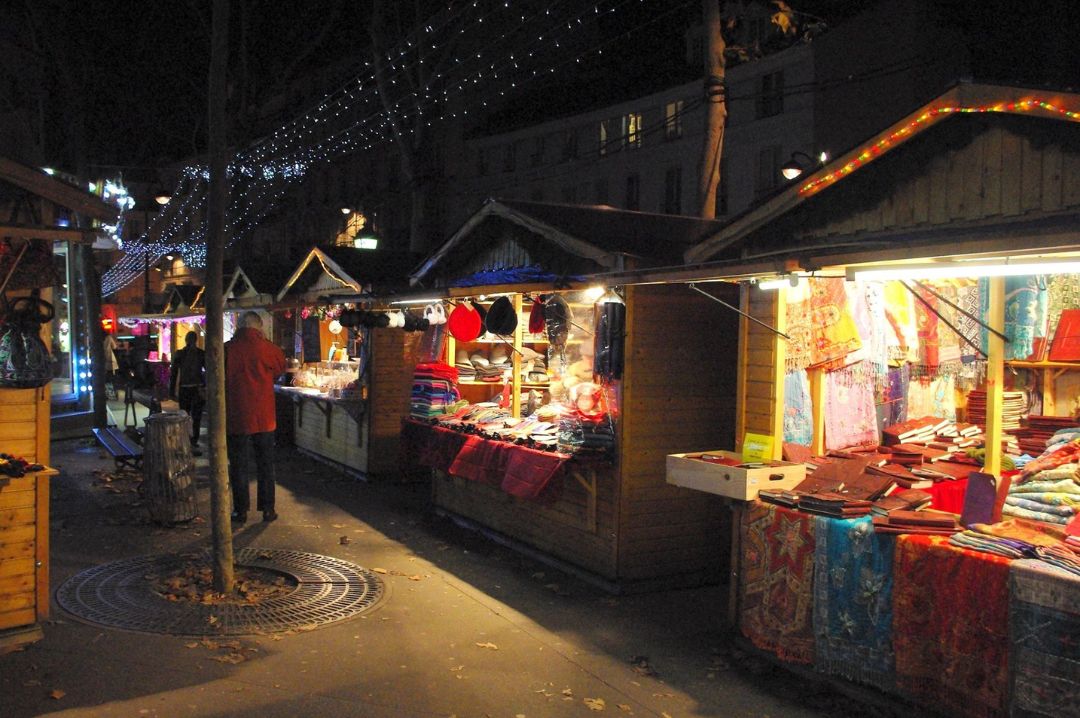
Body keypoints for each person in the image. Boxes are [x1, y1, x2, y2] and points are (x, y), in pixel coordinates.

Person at [226, 311, 285, 524]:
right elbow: (280, 369)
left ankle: (240, 511)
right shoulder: (270, 349)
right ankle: (268, 509)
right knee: (266, 464)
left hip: (236, 415)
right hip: (264, 416)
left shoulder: (227, 349)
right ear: (259, 327)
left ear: (239, 326)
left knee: (239, 464)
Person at [170, 331, 206, 453]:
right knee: (196, 417)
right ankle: (193, 440)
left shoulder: (180, 354)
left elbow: (174, 373)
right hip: (197, 388)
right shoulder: (201, 354)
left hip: (185, 388)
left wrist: (171, 390)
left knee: (184, 415)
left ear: (186, 340)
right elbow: (207, 371)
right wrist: (205, 385)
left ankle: (186, 438)